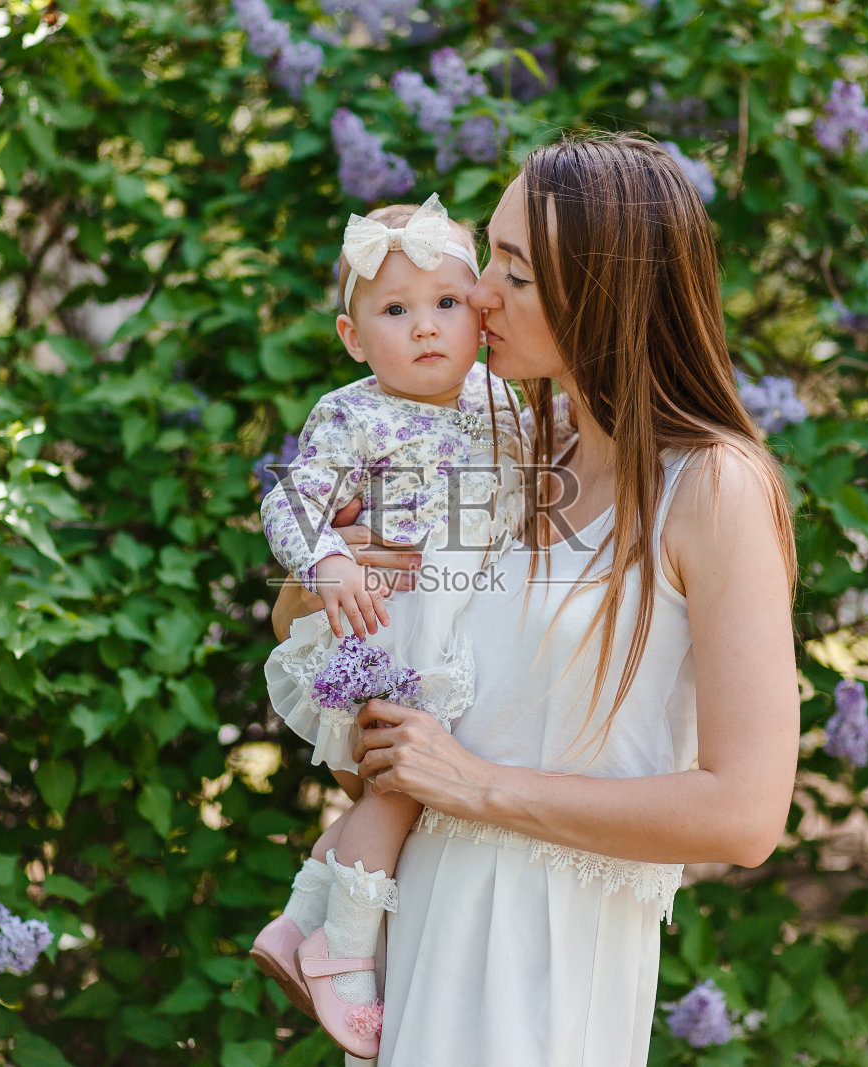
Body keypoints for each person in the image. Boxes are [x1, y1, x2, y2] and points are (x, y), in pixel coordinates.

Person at [269, 132, 801, 1067]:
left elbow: (747, 812)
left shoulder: (711, 488)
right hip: (420, 927)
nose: (477, 295)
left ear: (602, 293)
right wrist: (326, 585)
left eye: (512, 273)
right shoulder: (510, 453)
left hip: (548, 959)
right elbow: (371, 723)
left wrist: (477, 785)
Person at [252, 193, 528, 1057]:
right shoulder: (353, 413)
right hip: (392, 621)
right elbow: (291, 500)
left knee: (397, 788)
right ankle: (344, 951)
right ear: (352, 335)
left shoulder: (503, 401)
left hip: (464, 614)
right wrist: (329, 562)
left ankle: (298, 920)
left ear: (478, 315)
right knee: (403, 784)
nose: (426, 327)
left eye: (446, 302)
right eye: (395, 311)